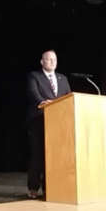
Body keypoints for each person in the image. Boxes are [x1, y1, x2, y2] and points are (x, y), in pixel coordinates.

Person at [26, 50, 71, 199]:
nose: (52, 62)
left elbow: (68, 97)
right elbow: (33, 93)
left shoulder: (62, 78)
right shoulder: (34, 76)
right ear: (42, 61)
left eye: (55, 60)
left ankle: (50, 187)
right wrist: (42, 102)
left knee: (55, 156)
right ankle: (33, 187)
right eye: (49, 59)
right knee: (38, 155)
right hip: (39, 120)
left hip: (58, 122)